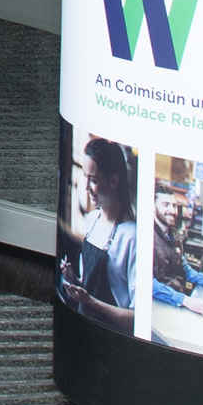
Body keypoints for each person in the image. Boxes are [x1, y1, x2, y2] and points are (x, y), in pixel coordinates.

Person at [57, 138, 138, 333]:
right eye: (85, 177)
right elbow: (89, 286)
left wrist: (90, 302)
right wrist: (74, 281)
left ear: (113, 181)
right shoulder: (92, 219)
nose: (85, 187)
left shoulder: (132, 237)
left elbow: (136, 319)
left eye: (93, 180)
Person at [149, 191, 203, 313]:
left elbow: (186, 270)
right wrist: (185, 300)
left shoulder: (174, 236)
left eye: (174, 206)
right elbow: (148, 283)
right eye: (166, 205)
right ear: (153, 207)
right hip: (157, 306)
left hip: (175, 301)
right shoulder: (147, 238)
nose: (172, 210)